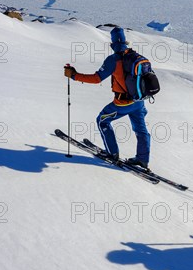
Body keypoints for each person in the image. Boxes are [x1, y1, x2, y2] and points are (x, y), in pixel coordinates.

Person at [64, 27, 151, 169]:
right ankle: (142, 159)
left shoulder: (113, 60)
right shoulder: (136, 57)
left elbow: (97, 78)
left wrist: (74, 75)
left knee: (102, 120)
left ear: (112, 43)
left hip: (122, 103)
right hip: (139, 102)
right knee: (141, 130)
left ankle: (112, 154)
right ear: (125, 41)